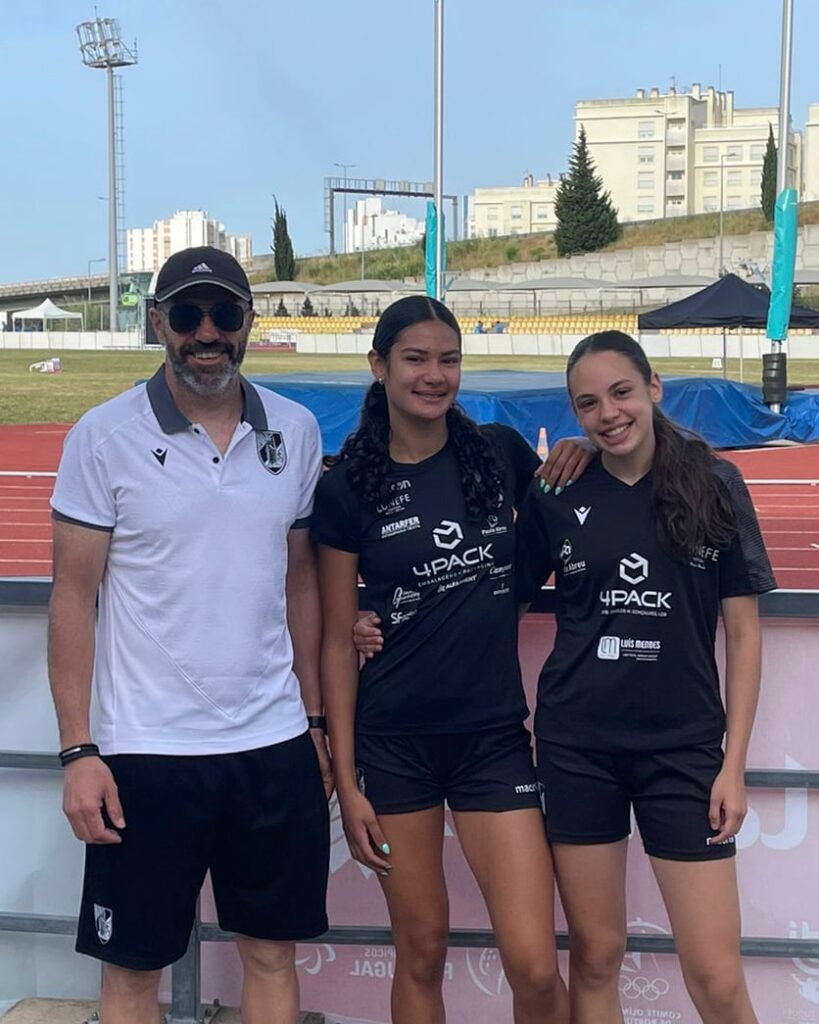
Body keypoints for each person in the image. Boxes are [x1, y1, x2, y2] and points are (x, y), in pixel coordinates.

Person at [48, 246, 331, 1024]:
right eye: (187, 314)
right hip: (145, 751)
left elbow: (301, 581)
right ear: (158, 323)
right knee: (132, 972)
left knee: (271, 957)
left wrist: (312, 720)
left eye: (224, 313)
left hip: (271, 743)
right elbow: (72, 597)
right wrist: (77, 751)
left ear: (248, 321)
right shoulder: (103, 435)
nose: (207, 332)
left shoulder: (297, 430)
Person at [312, 295, 593, 1024]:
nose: (434, 375)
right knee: (422, 950)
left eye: (449, 359)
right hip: (394, 743)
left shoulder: (498, 452)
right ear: (378, 367)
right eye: (415, 359)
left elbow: (570, 522)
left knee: (535, 965)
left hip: (491, 738)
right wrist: (348, 781)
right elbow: (336, 639)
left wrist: (584, 448)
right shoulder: (346, 488)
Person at [516, 330, 776, 1024]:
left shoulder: (715, 483)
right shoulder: (557, 489)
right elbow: (497, 598)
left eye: (621, 392)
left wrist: (732, 766)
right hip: (577, 749)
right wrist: (373, 622)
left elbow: (743, 634)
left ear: (653, 387)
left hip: (683, 752)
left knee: (716, 977)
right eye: (588, 403)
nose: (608, 413)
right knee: (596, 957)